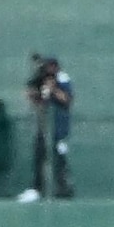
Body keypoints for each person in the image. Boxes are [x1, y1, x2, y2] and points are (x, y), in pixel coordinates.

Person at [24, 54, 76, 199]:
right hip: (44, 128)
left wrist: (53, 89)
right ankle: (36, 189)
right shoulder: (41, 79)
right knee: (39, 154)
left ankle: (64, 188)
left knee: (59, 158)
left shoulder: (63, 79)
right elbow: (37, 100)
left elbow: (67, 99)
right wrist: (36, 93)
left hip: (60, 129)